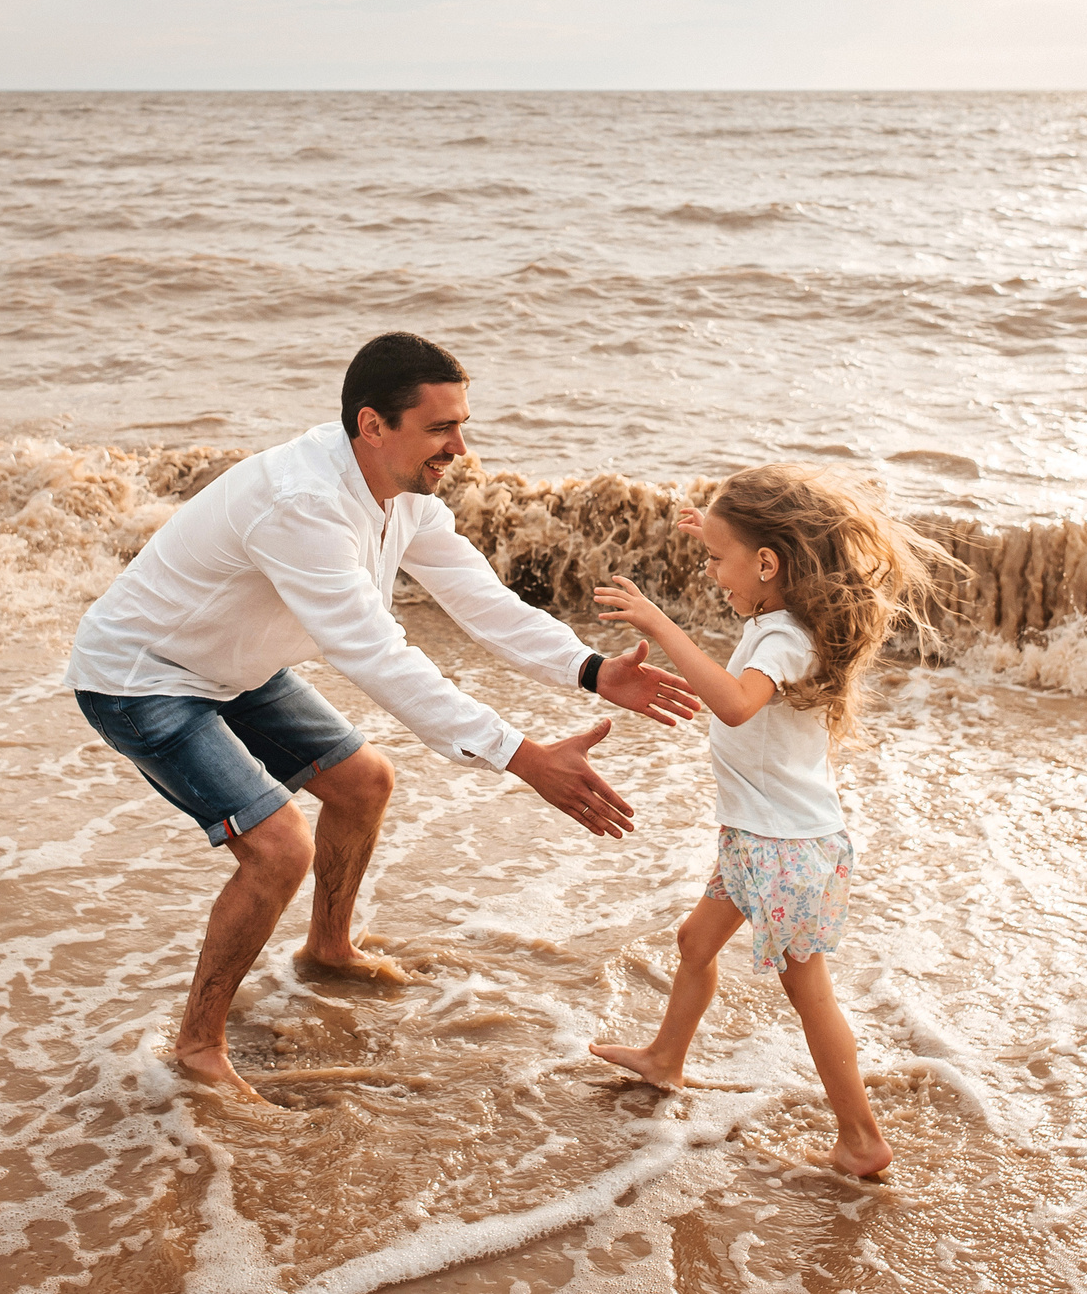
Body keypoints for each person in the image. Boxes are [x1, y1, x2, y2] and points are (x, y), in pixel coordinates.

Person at [67, 332, 702, 1101]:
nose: (460, 447)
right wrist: (521, 754)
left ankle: (328, 947)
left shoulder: (401, 494)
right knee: (277, 848)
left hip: (232, 664)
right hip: (142, 675)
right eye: (441, 428)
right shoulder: (303, 503)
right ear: (373, 425)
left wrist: (592, 670)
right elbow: (377, 656)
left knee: (363, 781)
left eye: (462, 424)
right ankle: (199, 1044)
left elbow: (479, 598)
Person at [584, 464, 944, 1179]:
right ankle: (665, 1057)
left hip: (785, 846)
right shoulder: (775, 616)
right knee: (695, 940)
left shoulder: (786, 639)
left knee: (808, 991)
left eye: (719, 559)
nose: (712, 571)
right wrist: (715, 528)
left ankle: (862, 1138)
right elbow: (749, 589)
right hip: (759, 837)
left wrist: (660, 622)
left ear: (769, 563)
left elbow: (736, 702)